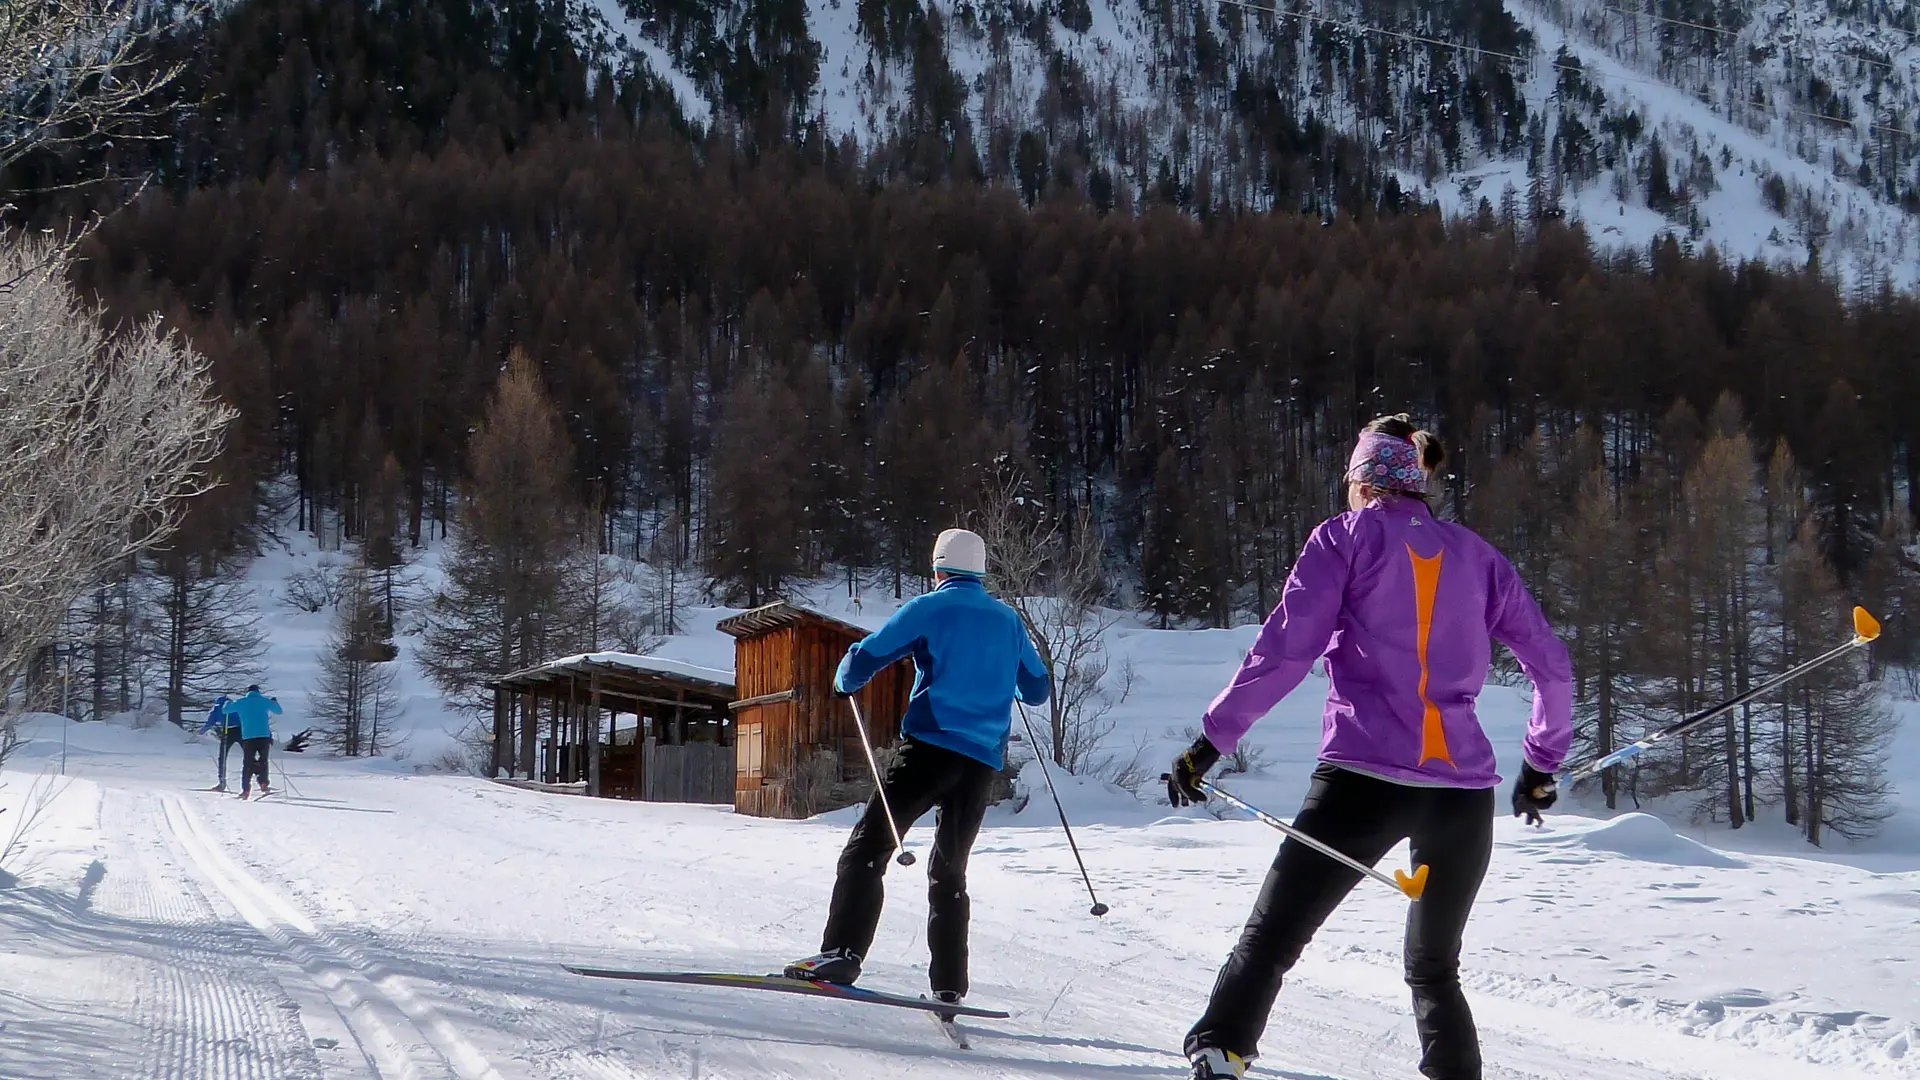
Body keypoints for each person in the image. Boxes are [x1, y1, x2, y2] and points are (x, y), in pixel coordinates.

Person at [1166, 415, 1573, 1080]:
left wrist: (1210, 743)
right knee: (1435, 968)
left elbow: (1286, 651)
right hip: (1462, 796)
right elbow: (1551, 667)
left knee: (1271, 940)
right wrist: (1540, 765)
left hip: (1363, 780)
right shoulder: (1478, 556)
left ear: (1361, 481)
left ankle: (1222, 1050)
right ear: (1418, 484)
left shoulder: (1342, 539)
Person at [784, 527, 1051, 1015]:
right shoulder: (1008, 620)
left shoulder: (929, 607)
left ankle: (841, 954)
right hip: (981, 764)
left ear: (938, 569)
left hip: (929, 748)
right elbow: (1036, 690)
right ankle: (949, 986)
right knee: (950, 871)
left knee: (869, 846)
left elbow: (870, 654)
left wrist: (846, 678)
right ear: (982, 571)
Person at [225, 684, 283, 799]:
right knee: (263, 760)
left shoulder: (241, 702)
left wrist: (227, 703)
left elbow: (225, 710)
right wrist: (275, 702)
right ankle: (263, 783)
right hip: (264, 736)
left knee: (247, 762)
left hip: (248, 736)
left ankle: (246, 789)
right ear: (258, 692)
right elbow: (279, 711)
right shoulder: (264, 701)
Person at [197, 694, 240, 791]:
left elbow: (210, 722)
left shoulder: (216, 708)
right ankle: (261, 780)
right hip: (240, 730)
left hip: (227, 731)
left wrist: (201, 732)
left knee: (223, 757)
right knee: (248, 756)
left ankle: (222, 782)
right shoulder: (234, 706)